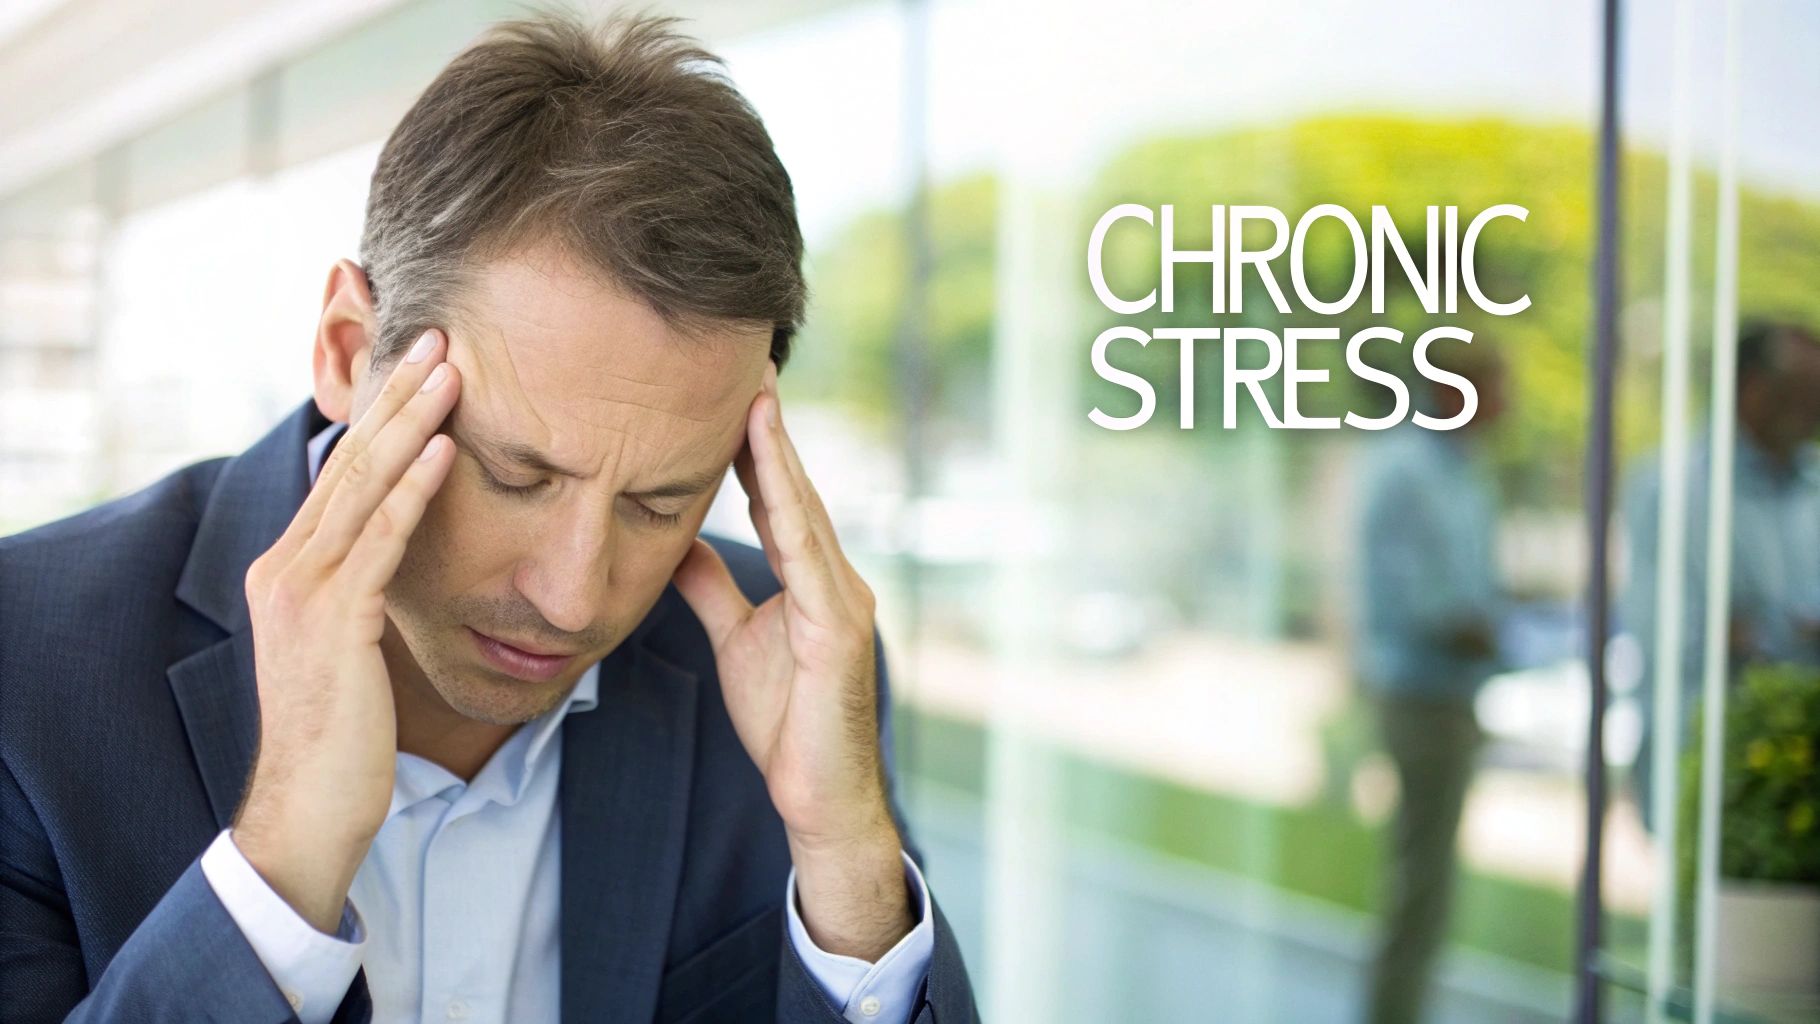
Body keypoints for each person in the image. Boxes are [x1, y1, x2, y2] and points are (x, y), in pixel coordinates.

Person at [0, 14, 977, 1023]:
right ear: (347, 352)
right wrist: (279, 873)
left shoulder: (792, 665)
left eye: (659, 502)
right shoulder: (25, 664)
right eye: (513, 475)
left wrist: (847, 861)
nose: (571, 596)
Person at [1352, 345, 1509, 1024]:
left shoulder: (1463, 473)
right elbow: (1408, 600)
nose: (1509, 404)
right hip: (1420, 698)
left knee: (1431, 886)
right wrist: (1473, 628)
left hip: (1454, 696)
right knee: (1420, 886)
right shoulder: (1406, 471)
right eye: (1495, 387)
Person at [1622, 320, 1820, 828]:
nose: (1815, 406)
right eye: (1802, 390)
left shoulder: (1811, 484)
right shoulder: (1675, 488)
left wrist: (1760, 631)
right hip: (1709, 766)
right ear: (1753, 388)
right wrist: (1786, 634)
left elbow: (1745, 631)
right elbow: (1676, 637)